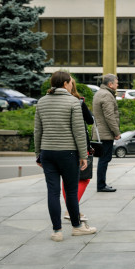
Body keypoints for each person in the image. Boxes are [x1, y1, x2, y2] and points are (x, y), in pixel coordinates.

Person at [34, 71, 97, 241]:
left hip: (47, 152)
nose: (71, 84)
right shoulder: (73, 102)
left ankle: (56, 231)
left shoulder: (42, 102)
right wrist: (83, 155)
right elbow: (78, 131)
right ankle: (77, 227)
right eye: (70, 82)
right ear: (65, 83)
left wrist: (38, 154)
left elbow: (37, 130)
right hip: (68, 153)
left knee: (52, 192)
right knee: (71, 191)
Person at [62, 77, 93, 223]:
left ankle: (71, 208)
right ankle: (71, 209)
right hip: (78, 145)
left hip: (61, 145)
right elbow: (90, 120)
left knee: (65, 179)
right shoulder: (78, 102)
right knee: (84, 177)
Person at [92, 74, 121, 192]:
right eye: (116, 82)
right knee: (104, 159)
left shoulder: (100, 93)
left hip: (101, 132)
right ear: (110, 84)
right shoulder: (106, 95)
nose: (117, 84)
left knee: (103, 159)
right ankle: (101, 185)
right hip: (105, 133)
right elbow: (110, 116)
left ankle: (101, 184)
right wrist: (116, 132)